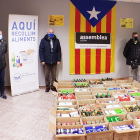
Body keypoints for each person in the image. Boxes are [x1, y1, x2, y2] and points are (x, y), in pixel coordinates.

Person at [0, 31, 7, 99]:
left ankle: (2, 93)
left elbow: (5, 51)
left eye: (0, 34)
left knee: (2, 80)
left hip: (2, 65)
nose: (0, 35)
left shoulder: (5, 43)